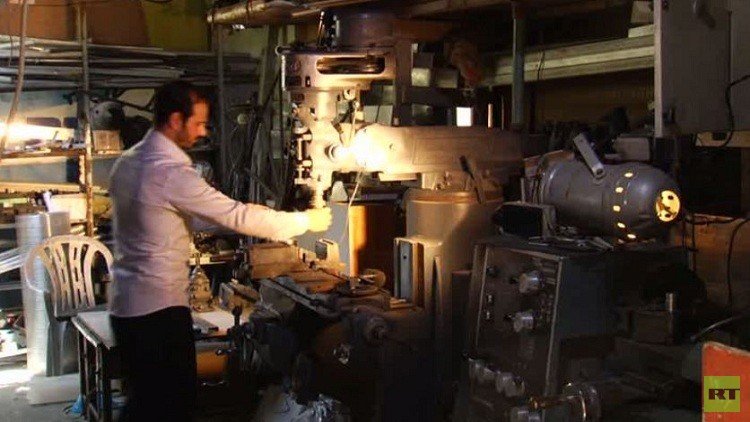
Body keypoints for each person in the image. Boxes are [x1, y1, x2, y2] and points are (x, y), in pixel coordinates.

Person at [108, 81, 332, 421]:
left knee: (145, 402)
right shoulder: (168, 171)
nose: (202, 131)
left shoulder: (129, 161)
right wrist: (303, 221)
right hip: (157, 311)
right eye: (197, 123)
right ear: (175, 120)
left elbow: (190, 217)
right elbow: (235, 215)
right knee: (169, 407)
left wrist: (260, 219)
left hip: (127, 307)